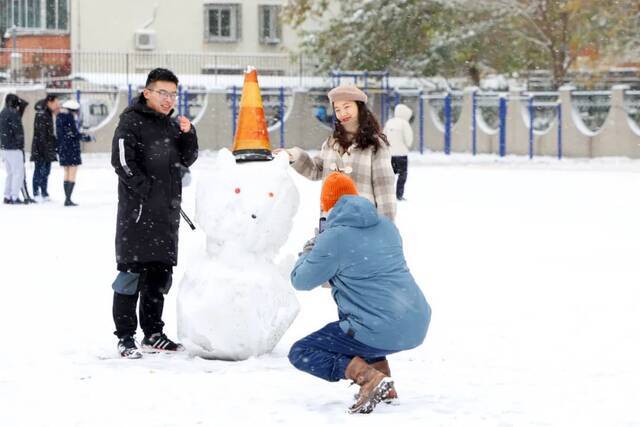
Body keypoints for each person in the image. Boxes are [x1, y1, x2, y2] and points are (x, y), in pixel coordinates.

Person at [288, 172, 431, 414]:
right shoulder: (386, 226)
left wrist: (312, 248)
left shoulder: (334, 238)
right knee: (357, 315)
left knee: (302, 352)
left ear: (327, 207)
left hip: (379, 328)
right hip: (415, 321)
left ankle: (367, 377)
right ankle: (384, 380)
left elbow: (300, 280)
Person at [110, 68, 198, 358]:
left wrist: (188, 134)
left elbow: (187, 159)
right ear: (147, 92)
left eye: (173, 94)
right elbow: (122, 162)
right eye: (162, 92)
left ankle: (153, 333)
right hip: (137, 216)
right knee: (130, 278)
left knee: (158, 279)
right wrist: (145, 190)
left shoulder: (172, 125)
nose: (168, 99)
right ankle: (125, 336)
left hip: (166, 217)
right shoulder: (130, 122)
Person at [276, 85, 396, 221]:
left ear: (359, 107)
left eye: (347, 107)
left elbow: (384, 190)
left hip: (363, 224)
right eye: (337, 109)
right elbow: (316, 170)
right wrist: (294, 155)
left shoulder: (375, 145)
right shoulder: (331, 142)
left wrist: (386, 228)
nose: (342, 113)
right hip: (331, 220)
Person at [30, 93, 60, 201]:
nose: (57, 105)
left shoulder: (47, 113)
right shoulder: (42, 114)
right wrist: (45, 149)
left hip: (47, 148)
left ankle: (44, 192)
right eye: (56, 103)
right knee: (39, 171)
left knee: (46, 171)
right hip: (40, 149)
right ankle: (36, 192)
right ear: (49, 102)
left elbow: (50, 134)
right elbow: (41, 135)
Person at [56, 99, 86, 206]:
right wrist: (83, 136)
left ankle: (67, 198)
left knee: (66, 173)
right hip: (71, 149)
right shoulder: (69, 118)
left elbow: (63, 134)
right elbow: (73, 134)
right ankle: (68, 199)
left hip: (63, 149)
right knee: (72, 173)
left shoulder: (59, 117)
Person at [0, 94, 29, 204]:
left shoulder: (3, 112)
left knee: (10, 173)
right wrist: (20, 145)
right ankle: (14, 196)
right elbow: (18, 131)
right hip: (14, 148)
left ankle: (7, 196)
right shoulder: (14, 114)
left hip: (4, 147)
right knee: (18, 173)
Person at [383, 103, 413, 201]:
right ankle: (399, 195)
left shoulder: (389, 122)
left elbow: (383, 136)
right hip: (401, 154)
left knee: (389, 175)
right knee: (402, 175)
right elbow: (408, 140)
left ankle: (388, 194)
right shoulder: (405, 124)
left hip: (390, 154)